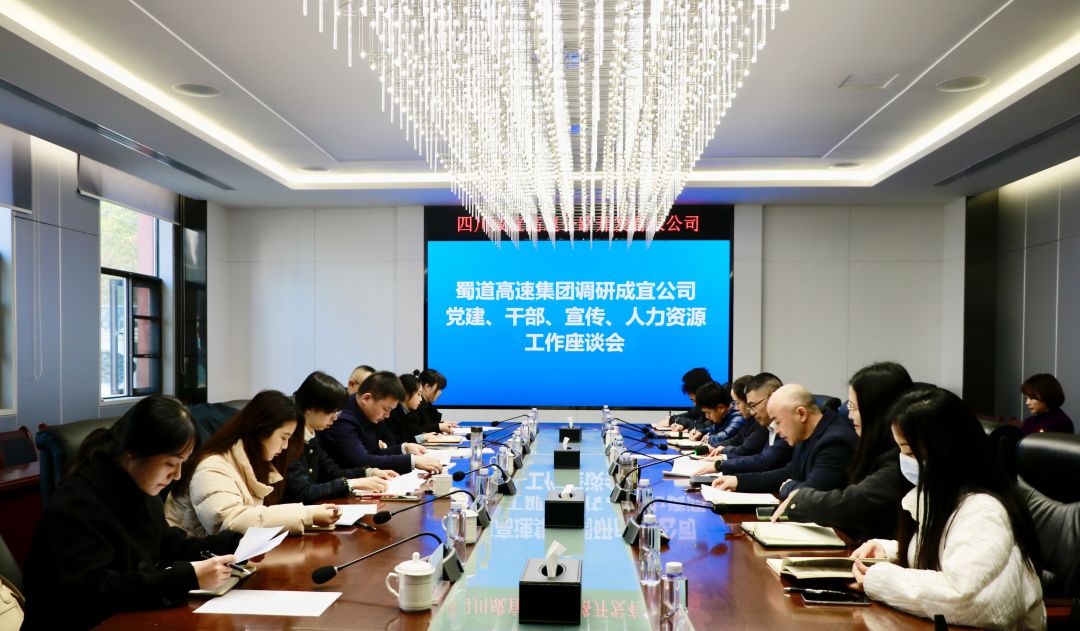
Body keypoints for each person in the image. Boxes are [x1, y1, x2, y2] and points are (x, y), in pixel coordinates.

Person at [22, 396, 242, 630]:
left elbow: (167, 546)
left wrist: (231, 544)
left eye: (182, 463)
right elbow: (97, 593)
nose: (177, 475)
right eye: (170, 463)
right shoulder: (77, 505)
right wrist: (187, 578)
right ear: (133, 452)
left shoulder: (140, 488)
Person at [851, 388, 1044, 629]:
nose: (903, 459)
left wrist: (880, 579)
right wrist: (888, 551)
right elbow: (947, 552)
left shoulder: (984, 510)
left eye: (909, 451)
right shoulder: (942, 494)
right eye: (901, 449)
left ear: (946, 450)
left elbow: (959, 594)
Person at [770, 362, 914, 540]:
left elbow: (851, 504)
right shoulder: (871, 448)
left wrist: (799, 496)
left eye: (854, 407)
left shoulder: (902, 459)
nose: (850, 415)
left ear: (876, 409)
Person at [165, 390, 339, 536]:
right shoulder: (212, 467)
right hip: (194, 560)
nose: (285, 446)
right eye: (283, 437)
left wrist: (311, 517)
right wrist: (307, 514)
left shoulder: (255, 463)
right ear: (260, 429)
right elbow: (230, 523)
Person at [713, 384, 856, 498]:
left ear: (801, 414)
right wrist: (738, 481)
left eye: (778, 422)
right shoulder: (807, 433)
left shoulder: (835, 441)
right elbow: (789, 472)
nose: (777, 430)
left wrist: (789, 486)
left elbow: (811, 494)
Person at [284, 371, 398, 504]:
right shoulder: (289, 439)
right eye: (332, 411)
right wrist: (352, 484)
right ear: (311, 407)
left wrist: (368, 472)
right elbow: (302, 492)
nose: (335, 418)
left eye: (337, 412)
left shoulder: (311, 434)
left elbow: (332, 471)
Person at [321, 371, 443, 474]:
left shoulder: (370, 414)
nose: (387, 415)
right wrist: (412, 461)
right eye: (386, 409)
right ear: (366, 398)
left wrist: (404, 448)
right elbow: (362, 460)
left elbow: (375, 453)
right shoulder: (343, 419)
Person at [695, 373, 792, 477]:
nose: (752, 412)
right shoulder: (768, 425)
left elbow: (761, 460)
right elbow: (759, 458)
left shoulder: (783, 429)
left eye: (753, 405)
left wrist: (722, 464)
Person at [688, 382, 745, 446]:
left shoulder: (738, 415)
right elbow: (714, 428)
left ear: (721, 408)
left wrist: (709, 438)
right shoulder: (725, 415)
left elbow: (726, 435)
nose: (707, 416)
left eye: (708, 412)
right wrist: (701, 432)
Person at [384, 373, 430, 445]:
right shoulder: (392, 412)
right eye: (418, 394)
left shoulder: (408, 411)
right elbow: (394, 440)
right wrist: (421, 437)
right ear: (406, 393)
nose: (421, 399)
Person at [668, 367, 712, 433]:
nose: (694, 404)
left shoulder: (719, 403)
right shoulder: (700, 407)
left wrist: (685, 424)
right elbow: (690, 415)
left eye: (696, 400)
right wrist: (673, 420)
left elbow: (707, 427)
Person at [415, 368, 456, 433]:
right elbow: (415, 431)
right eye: (439, 389)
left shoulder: (427, 405)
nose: (440, 393)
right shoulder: (416, 405)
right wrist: (438, 426)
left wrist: (442, 424)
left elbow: (428, 425)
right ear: (427, 387)